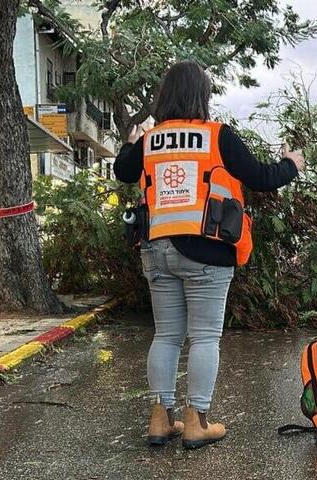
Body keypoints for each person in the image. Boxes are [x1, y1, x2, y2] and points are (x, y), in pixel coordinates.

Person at [113, 60, 304, 449]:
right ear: (202, 96)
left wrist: (131, 143)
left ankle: (160, 419)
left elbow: (122, 170)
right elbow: (262, 178)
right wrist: (291, 164)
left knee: (166, 335)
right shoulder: (217, 136)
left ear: (164, 97)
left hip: (157, 248)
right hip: (206, 250)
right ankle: (196, 421)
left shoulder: (151, 140)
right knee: (204, 338)